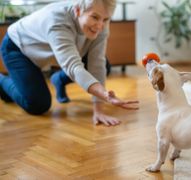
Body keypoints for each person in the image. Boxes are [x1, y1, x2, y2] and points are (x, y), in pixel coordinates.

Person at [0, 0, 139, 126]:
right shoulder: (57, 20)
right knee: (38, 104)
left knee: (104, 65)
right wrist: (104, 94)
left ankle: (58, 79)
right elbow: (73, 66)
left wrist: (99, 110)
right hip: (18, 49)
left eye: (106, 19)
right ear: (78, 10)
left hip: (52, 53)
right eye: (95, 17)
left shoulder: (101, 21)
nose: (100, 26)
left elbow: (97, 62)